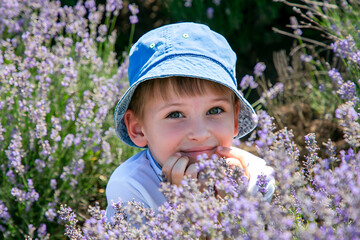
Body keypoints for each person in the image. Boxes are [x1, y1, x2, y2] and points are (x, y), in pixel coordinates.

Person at [106, 22, 275, 220]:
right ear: (138, 129)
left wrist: (230, 212)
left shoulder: (257, 179)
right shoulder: (131, 187)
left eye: (215, 110)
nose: (200, 133)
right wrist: (188, 215)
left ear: (235, 119)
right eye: (175, 114)